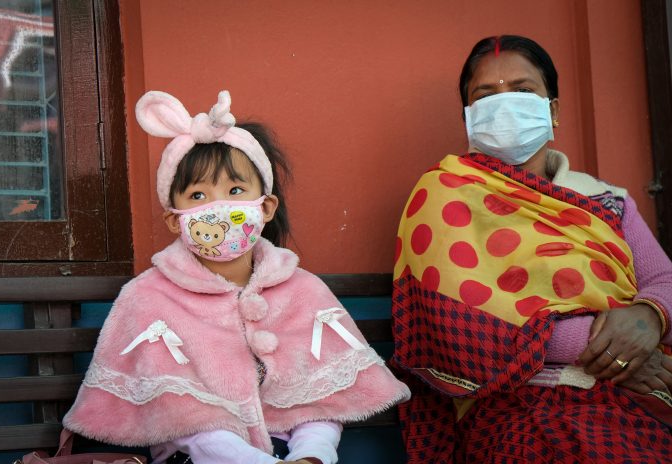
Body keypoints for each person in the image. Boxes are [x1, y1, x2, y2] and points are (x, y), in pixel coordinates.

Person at [63, 90, 410, 464]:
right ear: (174, 219)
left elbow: (322, 403)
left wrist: (312, 455)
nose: (218, 207)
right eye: (198, 196)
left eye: (235, 190)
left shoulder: (303, 291)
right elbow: (186, 424)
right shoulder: (148, 298)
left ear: (266, 207)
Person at [391, 35, 672, 463]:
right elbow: (461, 321)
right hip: (517, 405)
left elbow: (663, 279)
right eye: (486, 95)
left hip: (632, 395)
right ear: (468, 117)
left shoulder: (606, 199)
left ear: (552, 109)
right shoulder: (444, 194)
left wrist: (649, 317)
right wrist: (614, 352)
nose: (504, 104)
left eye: (522, 90)